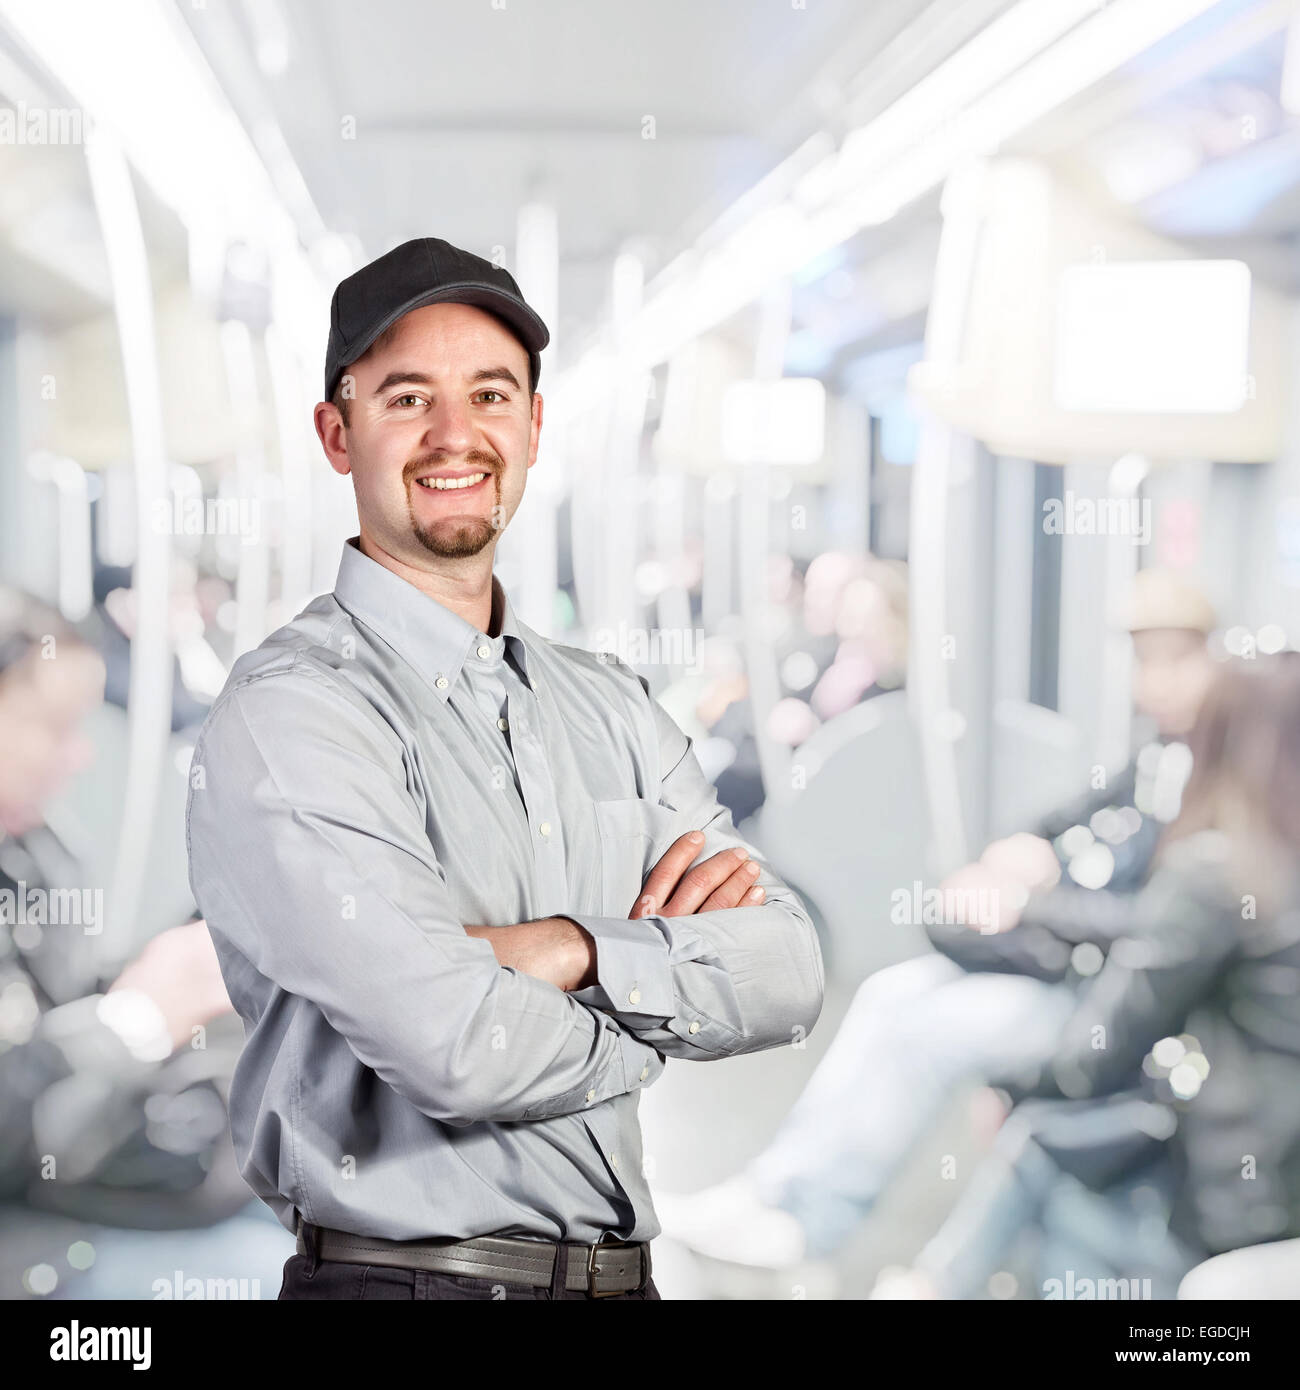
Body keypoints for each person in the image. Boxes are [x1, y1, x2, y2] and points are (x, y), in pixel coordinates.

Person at [185, 237, 824, 1302]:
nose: (454, 435)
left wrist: (571, 949)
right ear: (337, 435)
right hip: (404, 1285)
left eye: (489, 394)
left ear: (531, 428)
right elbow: (454, 1045)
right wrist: (663, 1007)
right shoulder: (292, 711)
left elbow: (790, 969)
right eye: (406, 398)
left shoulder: (609, 703)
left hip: (625, 1283)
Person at [654, 569, 1217, 1274]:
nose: (1155, 683)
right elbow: (1071, 815)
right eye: (1144, 661)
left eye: (1176, 660)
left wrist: (1032, 905)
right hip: (1074, 967)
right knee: (895, 992)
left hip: (1124, 1007)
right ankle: (780, 1193)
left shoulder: (1224, 776)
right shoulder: (1158, 753)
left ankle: (813, 1219)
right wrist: (1024, 854)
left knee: (928, 1030)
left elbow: (1166, 929)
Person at [895, 653, 1300, 1298]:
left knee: (1061, 1183)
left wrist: (1007, 1089)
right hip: (1268, 1181)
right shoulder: (1240, 865)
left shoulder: (1221, 875)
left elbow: (1095, 1056)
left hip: (1240, 1205)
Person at [0, 587, 288, 1299]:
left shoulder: (32, 858)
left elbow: (44, 1019)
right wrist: (136, 1022)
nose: (79, 756)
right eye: (54, 727)